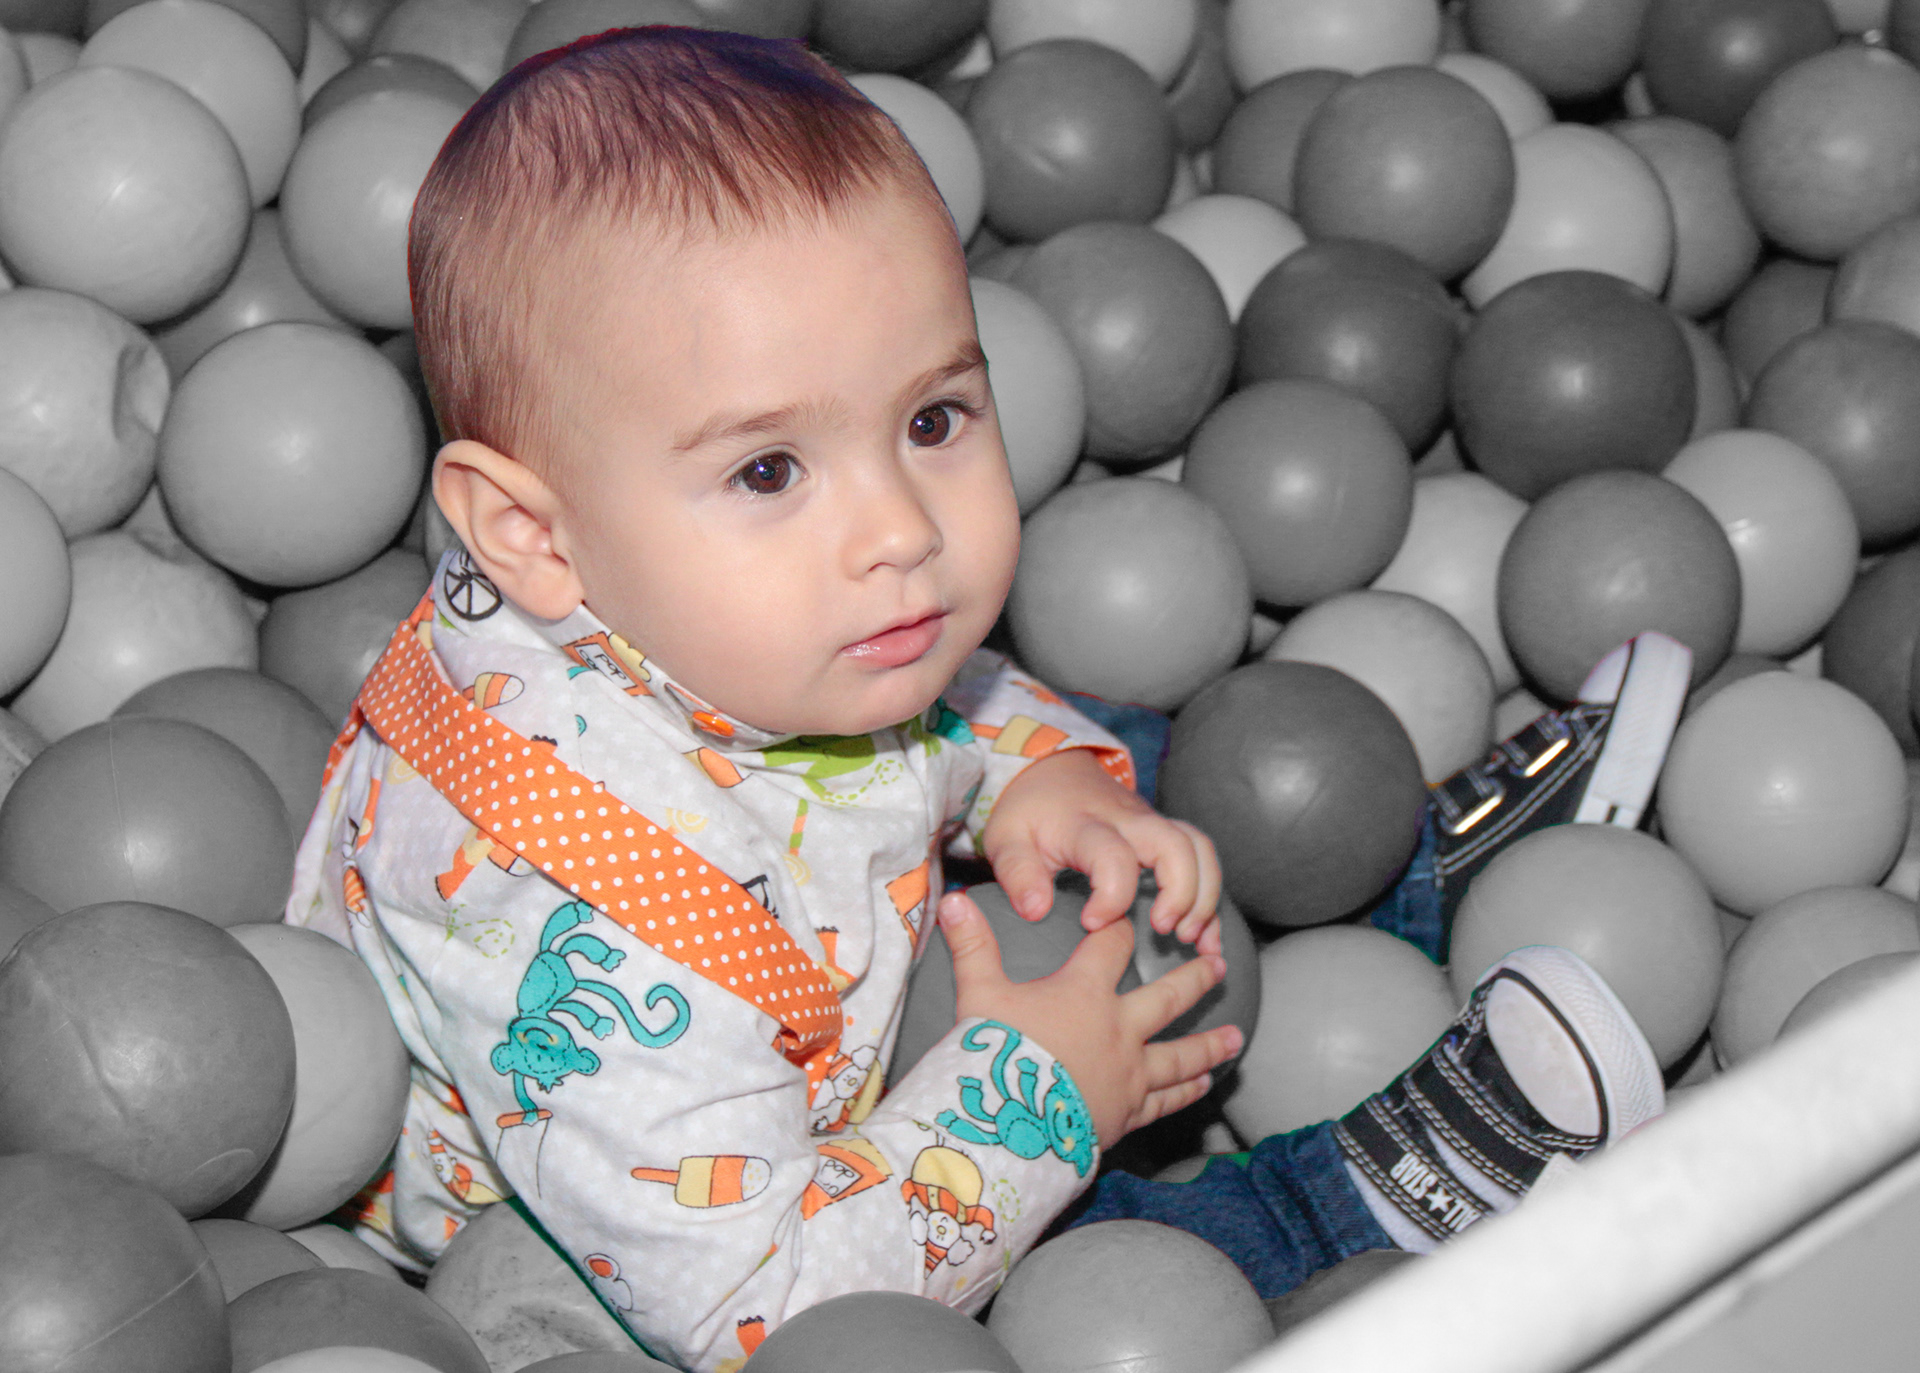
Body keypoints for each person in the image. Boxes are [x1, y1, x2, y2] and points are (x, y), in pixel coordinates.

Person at [283, 27, 1679, 1371]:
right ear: (528, 534)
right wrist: (1039, 1096)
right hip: (654, 1242)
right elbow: (769, 1309)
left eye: (933, 420)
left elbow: (931, 714)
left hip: (810, 908)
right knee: (1077, 1290)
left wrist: (1036, 775)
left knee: (1134, 758)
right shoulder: (598, 932)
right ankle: (1371, 1197)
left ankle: (1411, 871)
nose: (902, 527)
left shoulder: (735, 617)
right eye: (769, 470)